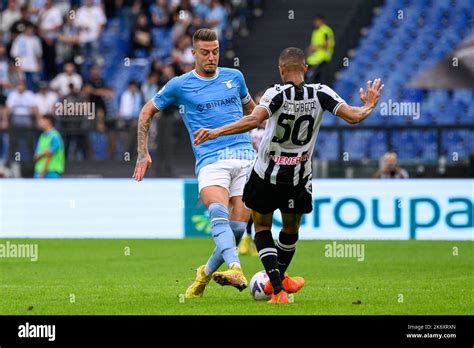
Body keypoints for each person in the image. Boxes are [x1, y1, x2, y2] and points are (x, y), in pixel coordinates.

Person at [194, 47, 384, 303]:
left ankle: (278, 288)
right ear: (305, 68)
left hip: (265, 176)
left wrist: (216, 132)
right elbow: (354, 117)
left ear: (281, 70)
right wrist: (369, 105)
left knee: (262, 226)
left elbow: (253, 120)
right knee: (290, 230)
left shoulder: (275, 93)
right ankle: (280, 282)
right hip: (298, 177)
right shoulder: (321, 93)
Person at [133, 28, 256, 298]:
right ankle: (235, 266)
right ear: (193, 54)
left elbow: (254, 113)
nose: (211, 57)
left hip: (246, 158)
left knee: (236, 230)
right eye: (205, 52)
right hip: (212, 160)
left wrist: (261, 138)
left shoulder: (235, 78)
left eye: (215, 51)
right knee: (217, 212)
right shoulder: (179, 85)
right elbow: (146, 111)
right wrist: (143, 152)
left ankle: (204, 275)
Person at [33, 114, 65, 178]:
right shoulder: (42, 136)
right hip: (39, 171)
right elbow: (36, 156)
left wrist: (44, 170)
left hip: (52, 171)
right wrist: (43, 152)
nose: (39, 122)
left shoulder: (55, 136)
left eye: (41, 120)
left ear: (48, 121)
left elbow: (49, 153)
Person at [306, 14, 335, 84]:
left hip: (322, 58)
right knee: (312, 79)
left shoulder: (325, 30)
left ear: (322, 21)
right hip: (313, 59)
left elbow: (328, 43)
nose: (315, 22)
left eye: (317, 21)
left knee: (311, 77)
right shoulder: (315, 32)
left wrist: (315, 47)